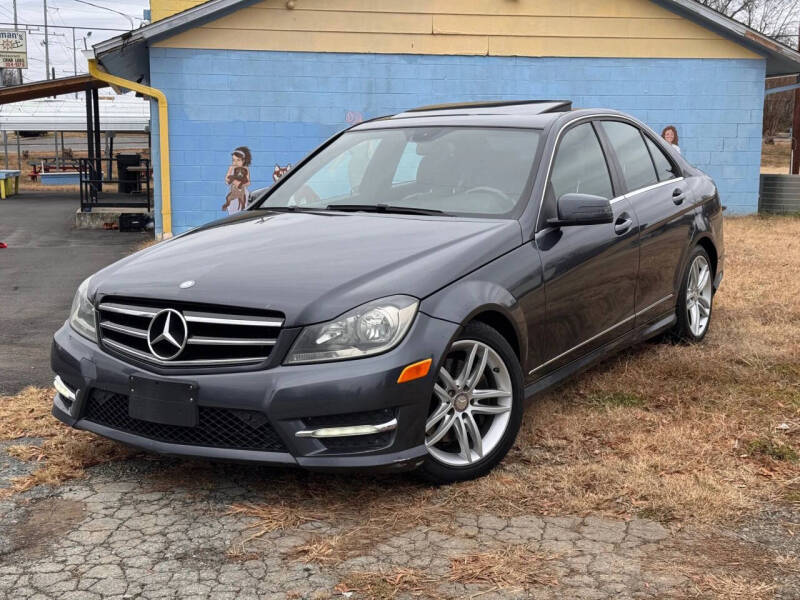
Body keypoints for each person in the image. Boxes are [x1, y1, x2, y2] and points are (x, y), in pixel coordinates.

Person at [222, 146, 252, 215]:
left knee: (243, 209)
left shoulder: (246, 168)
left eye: (238, 160)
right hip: (233, 191)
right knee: (232, 209)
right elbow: (227, 179)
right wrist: (233, 181)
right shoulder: (231, 168)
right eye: (233, 160)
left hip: (243, 192)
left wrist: (240, 184)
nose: (235, 162)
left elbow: (248, 182)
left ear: (243, 160)